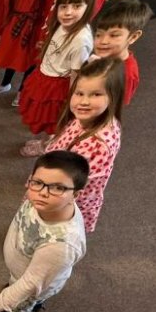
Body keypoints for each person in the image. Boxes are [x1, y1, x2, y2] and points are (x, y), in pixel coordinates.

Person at [0, 151, 89, 312]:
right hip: (24, 270)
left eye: (58, 188)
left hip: (33, 283)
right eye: (37, 182)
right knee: (18, 289)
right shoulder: (44, 203)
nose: (43, 193)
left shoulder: (61, 246)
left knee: (20, 302)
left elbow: (31, 284)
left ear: (75, 195)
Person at [18, 0, 96, 157]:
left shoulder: (80, 40)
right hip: (45, 75)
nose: (68, 12)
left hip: (57, 86)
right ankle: (46, 142)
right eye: (63, 7)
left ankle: (47, 147)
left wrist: (71, 101)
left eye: (76, 6)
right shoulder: (63, 24)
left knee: (52, 121)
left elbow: (76, 75)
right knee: (43, 117)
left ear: (88, 7)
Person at [46, 57, 124, 233]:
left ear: (113, 97)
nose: (84, 101)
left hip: (65, 202)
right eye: (79, 93)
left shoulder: (98, 144)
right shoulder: (86, 118)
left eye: (96, 94)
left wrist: (42, 190)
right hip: (58, 183)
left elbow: (72, 185)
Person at [88, 0, 152, 107]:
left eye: (114, 35)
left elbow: (116, 105)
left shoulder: (127, 75)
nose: (103, 41)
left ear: (133, 37)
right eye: (98, 35)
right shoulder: (105, 56)